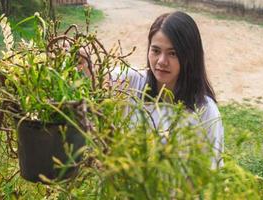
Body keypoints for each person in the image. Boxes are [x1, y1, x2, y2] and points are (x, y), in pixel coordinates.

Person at [79, 11, 224, 168]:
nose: (161, 61)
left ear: (189, 56)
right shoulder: (133, 83)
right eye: (155, 51)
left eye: (173, 53)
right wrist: (82, 60)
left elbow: (208, 175)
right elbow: (95, 80)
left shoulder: (206, 112)